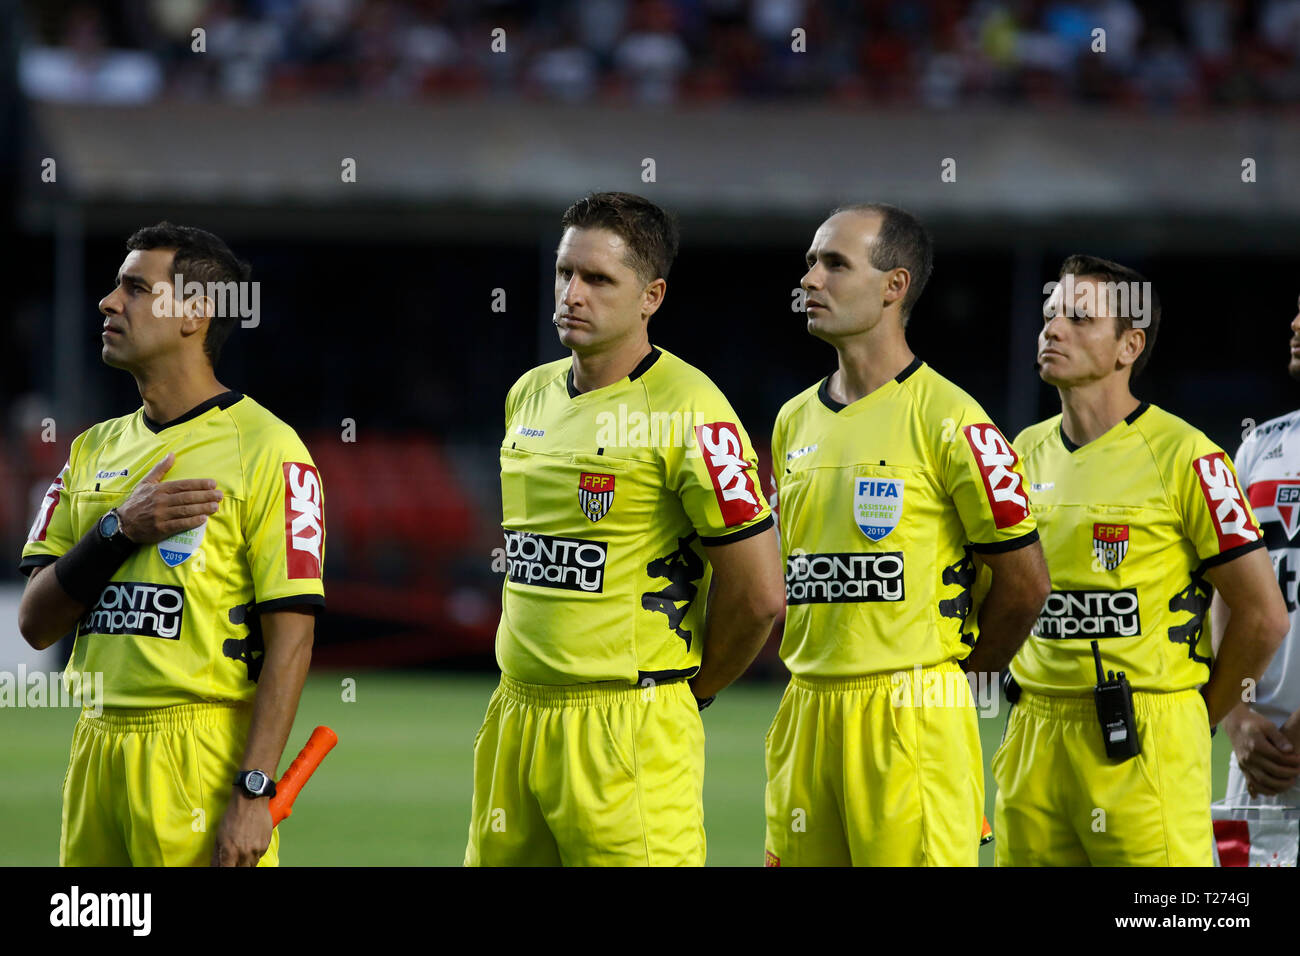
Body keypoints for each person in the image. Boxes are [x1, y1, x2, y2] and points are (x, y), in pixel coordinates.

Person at [465, 192, 784, 866]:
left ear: (652, 296)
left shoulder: (694, 409)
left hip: (627, 727)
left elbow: (759, 595)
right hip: (515, 715)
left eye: (599, 279)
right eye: (564, 273)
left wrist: (690, 692)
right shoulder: (529, 393)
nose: (572, 293)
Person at [18, 222, 324, 867]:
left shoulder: (269, 449)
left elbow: (292, 639)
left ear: (194, 315)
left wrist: (253, 790)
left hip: (199, 753)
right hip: (96, 746)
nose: (108, 302)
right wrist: (117, 530)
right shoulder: (91, 449)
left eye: (134, 288)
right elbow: (35, 622)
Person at [764, 203, 1050, 867]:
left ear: (894, 286)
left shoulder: (955, 420)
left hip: (910, 714)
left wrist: (960, 678)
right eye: (810, 261)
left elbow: (1025, 583)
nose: (810, 279)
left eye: (834, 263)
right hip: (805, 709)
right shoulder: (792, 421)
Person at [994, 254, 1288, 866]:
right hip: (1033, 734)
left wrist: (1193, 717)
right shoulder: (1018, 453)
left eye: (1079, 317)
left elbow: (1264, 615)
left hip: (1145, 734)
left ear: (1129, 345)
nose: (1053, 328)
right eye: (1050, 314)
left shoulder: (1190, 458)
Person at [1214, 292, 1300, 806]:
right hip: (1260, 752)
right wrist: (1235, 714)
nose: (1293, 323)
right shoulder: (1257, 447)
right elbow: (1228, 591)